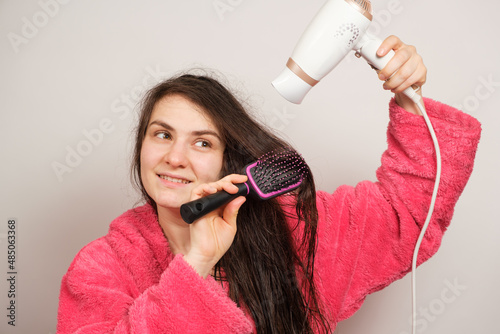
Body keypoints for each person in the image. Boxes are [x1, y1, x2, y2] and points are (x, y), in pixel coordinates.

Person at [56, 36, 481, 333]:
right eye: (162, 134)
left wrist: (411, 97)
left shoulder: (296, 229)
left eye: (202, 142)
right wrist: (196, 264)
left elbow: (404, 213)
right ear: (141, 144)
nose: (175, 157)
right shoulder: (100, 270)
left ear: (228, 157)